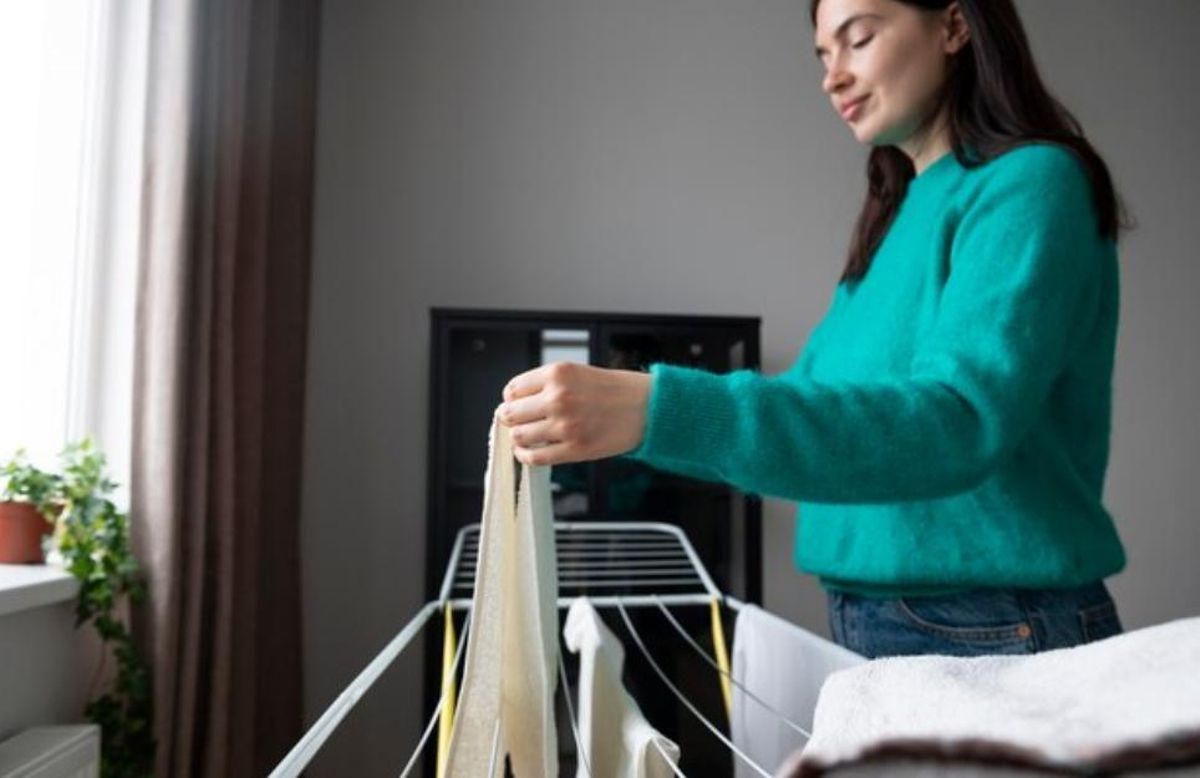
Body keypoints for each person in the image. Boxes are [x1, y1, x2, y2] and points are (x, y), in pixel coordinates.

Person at [495, 0, 1129, 659]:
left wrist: (653, 408)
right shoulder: (897, 215)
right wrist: (627, 420)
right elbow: (809, 405)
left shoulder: (1030, 183)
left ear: (953, 25)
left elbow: (958, 421)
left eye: (857, 40)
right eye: (824, 55)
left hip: (994, 621)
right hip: (884, 616)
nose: (833, 76)